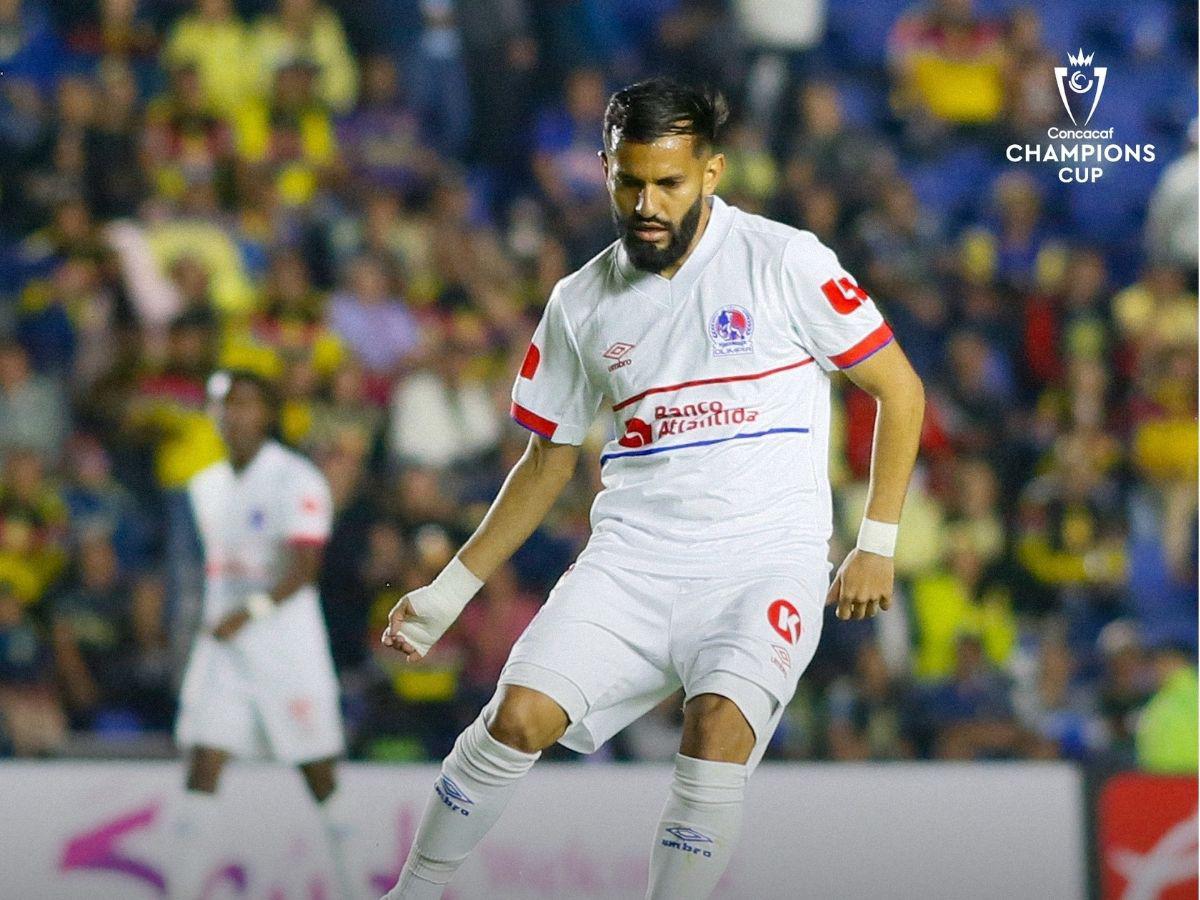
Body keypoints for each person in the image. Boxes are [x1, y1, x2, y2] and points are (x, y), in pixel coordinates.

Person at [381, 78, 925, 899]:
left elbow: (900, 389)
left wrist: (874, 542)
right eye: (629, 181)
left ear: (711, 172)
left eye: (668, 183)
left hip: (762, 564)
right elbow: (545, 462)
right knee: (514, 717)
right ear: (604, 168)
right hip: (632, 563)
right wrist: (451, 589)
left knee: (716, 730)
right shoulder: (579, 303)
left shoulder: (786, 261)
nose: (647, 203)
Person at [170, 370, 354, 899]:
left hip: (285, 646)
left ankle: (358, 883)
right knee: (204, 758)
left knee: (318, 771)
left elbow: (304, 569)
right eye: (222, 404)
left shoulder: (296, 479)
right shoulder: (205, 484)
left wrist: (248, 610)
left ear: (266, 413)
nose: (232, 415)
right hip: (223, 648)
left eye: (245, 404)